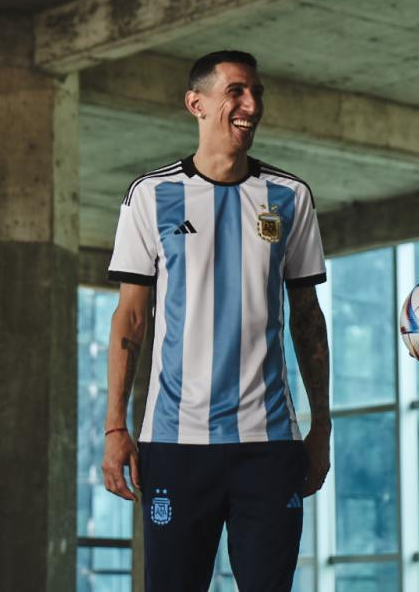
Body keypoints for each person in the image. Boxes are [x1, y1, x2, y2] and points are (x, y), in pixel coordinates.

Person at [101, 50, 331, 591]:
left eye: (256, 92)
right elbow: (130, 318)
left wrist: (320, 424)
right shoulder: (150, 195)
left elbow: (308, 320)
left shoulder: (290, 197)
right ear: (196, 104)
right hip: (175, 446)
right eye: (236, 91)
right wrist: (115, 426)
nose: (250, 104)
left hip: (270, 445)